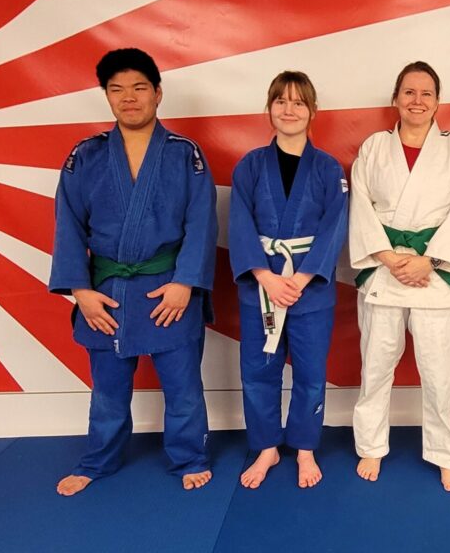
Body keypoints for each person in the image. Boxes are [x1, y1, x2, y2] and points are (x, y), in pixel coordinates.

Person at [49, 48, 218, 496]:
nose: (129, 98)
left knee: (183, 387)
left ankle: (189, 458)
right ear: (106, 96)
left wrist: (185, 283)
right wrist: (80, 291)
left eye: (139, 88)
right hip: (107, 293)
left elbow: (201, 222)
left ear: (157, 94)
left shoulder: (185, 154)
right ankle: (97, 460)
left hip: (169, 288)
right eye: (117, 89)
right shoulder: (85, 156)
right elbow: (68, 223)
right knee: (107, 391)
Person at [348, 62, 450, 491]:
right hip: (384, 269)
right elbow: (361, 206)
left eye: (426, 93)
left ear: (438, 102)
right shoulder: (374, 148)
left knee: (440, 373)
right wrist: (388, 258)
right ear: (395, 98)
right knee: (376, 366)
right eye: (409, 92)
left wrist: (431, 261)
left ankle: (445, 452)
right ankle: (371, 444)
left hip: (435, 273)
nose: (417, 101)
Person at [228, 71, 348, 489]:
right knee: (258, 370)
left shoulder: (328, 168)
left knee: (311, 372)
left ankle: (305, 447)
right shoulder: (249, 166)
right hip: (261, 286)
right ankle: (266, 447)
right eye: (281, 101)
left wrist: (302, 276)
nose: (289, 109)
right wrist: (265, 275)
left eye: (299, 102)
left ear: (313, 111)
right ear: (269, 107)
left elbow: (335, 226)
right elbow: (239, 221)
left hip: (308, 288)